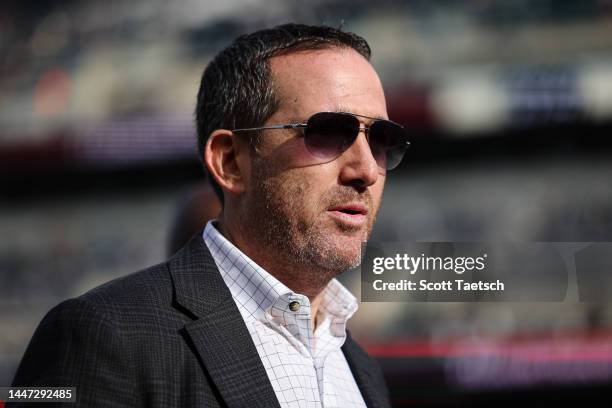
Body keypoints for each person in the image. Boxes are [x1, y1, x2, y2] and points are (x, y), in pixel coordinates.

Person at [11, 23, 410, 407]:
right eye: (327, 133)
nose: (367, 169)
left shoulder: (360, 366)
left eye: (381, 140)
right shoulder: (104, 333)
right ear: (230, 162)